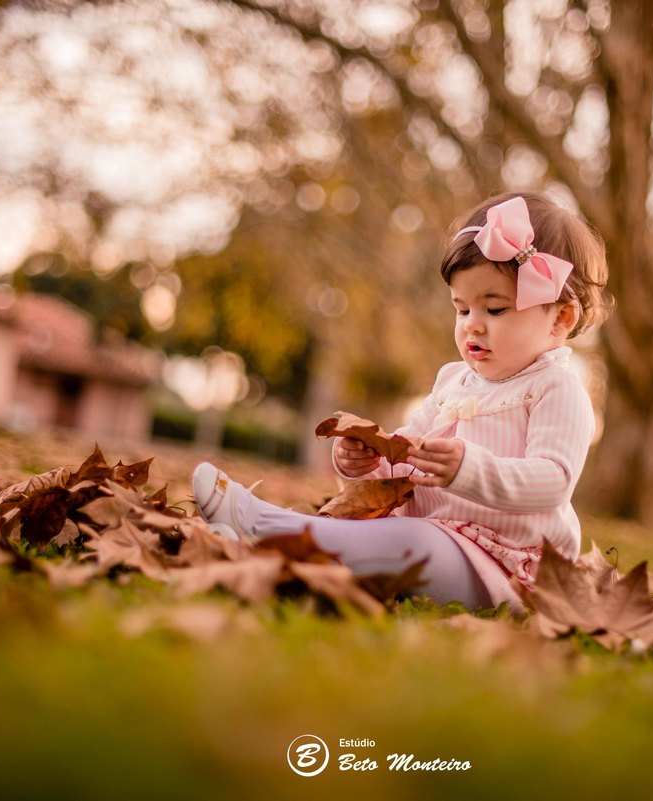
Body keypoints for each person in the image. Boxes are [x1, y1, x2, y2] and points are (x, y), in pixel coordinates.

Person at [192, 192, 612, 612]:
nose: (473, 327)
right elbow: (409, 452)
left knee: (413, 543)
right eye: (462, 310)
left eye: (496, 309)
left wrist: (469, 468)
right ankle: (271, 544)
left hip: (506, 565)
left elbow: (553, 481)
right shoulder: (453, 381)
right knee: (392, 537)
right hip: (435, 533)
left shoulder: (556, 388)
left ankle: (263, 526)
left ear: (561, 318)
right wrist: (370, 459)